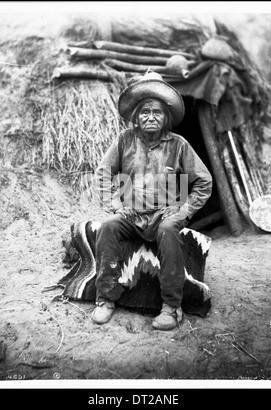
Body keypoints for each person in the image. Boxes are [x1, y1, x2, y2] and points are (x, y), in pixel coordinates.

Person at [91, 71, 212, 330]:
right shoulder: (124, 139)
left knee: (169, 231)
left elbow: (204, 182)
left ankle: (171, 307)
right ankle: (105, 299)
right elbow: (102, 173)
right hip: (131, 214)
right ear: (136, 116)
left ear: (166, 117)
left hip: (164, 216)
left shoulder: (179, 145)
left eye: (157, 112)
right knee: (108, 226)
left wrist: (184, 211)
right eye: (145, 111)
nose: (150, 117)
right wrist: (116, 204)